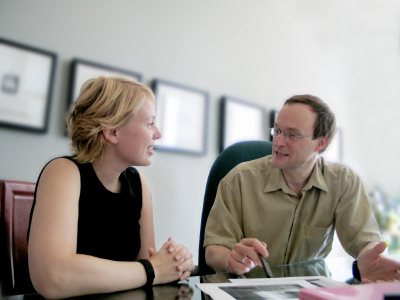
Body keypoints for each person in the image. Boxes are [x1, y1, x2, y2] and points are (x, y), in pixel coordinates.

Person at [28, 76, 195, 299]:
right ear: (112, 132)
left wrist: (173, 263)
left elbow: (151, 270)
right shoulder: (63, 172)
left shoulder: (139, 183)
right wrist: (153, 270)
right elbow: (52, 277)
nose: (158, 133)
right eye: (149, 122)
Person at [204, 94, 400, 283]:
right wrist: (230, 258)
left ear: (321, 143)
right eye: (277, 131)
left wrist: (372, 259)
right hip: (247, 290)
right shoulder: (239, 179)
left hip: (310, 290)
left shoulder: (342, 181)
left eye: (292, 134)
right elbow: (214, 248)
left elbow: (366, 242)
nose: (278, 142)